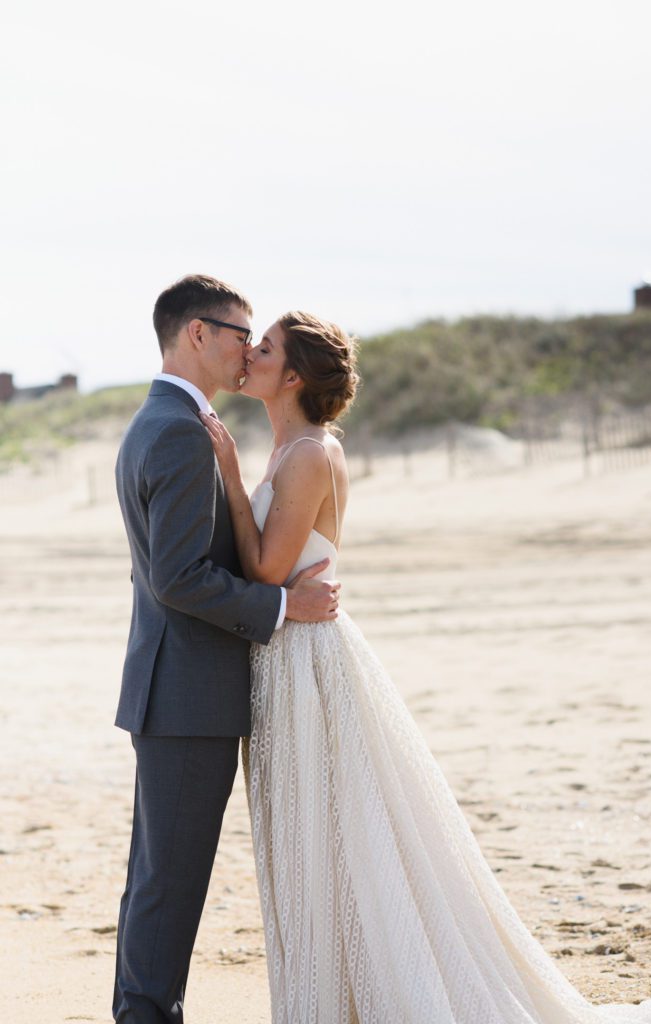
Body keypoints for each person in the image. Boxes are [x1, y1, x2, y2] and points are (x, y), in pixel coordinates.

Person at [201, 311, 651, 1024]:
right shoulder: (296, 448)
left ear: (294, 375)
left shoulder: (305, 454)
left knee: (333, 830)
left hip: (307, 661)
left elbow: (270, 567)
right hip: (292, 654)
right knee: (319, 832)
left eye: (264, 348)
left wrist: (232, 481)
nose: (250, 355)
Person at [113, 276, 340, 1024]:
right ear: (196, 334)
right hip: (186, 695)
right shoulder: (178, 429)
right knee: (168, 881)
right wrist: (280, 605)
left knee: (158, 876)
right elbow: (179, 577)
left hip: (181, 690)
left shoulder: (171, 421)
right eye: (239, 333)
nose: (247, 347)